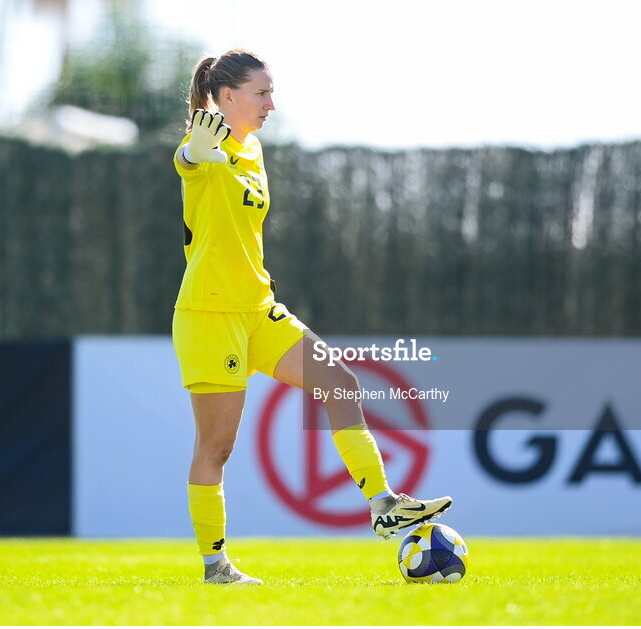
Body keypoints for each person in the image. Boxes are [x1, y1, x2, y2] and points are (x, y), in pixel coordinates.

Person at [172, 50, 452, 585]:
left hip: (259, 310)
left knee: (341, 383)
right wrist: (192, 152)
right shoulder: (203, 146)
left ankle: (383, 504)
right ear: (227, 97)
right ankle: (216, 566)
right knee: (217, 448)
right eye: (262, 94)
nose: (271, 104)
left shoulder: (251, 148)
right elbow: (187, 161)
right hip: (210, 314)